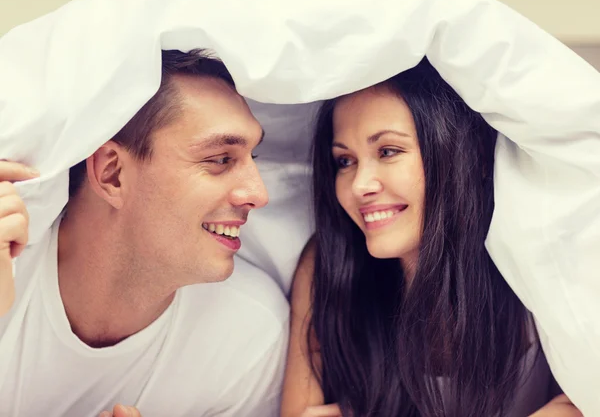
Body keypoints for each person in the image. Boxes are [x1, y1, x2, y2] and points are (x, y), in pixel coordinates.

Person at [281, 60, 581, 416]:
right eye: (345, 161)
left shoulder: (537, 259)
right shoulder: (327, 264)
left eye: (388, 151)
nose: (360, 185)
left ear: (470, 155)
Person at [0, 49, 289, 417]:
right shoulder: (10, 268)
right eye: (220, 160)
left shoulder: (249, 336)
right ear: (112, 174)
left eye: (253, 159)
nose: (258, 195)